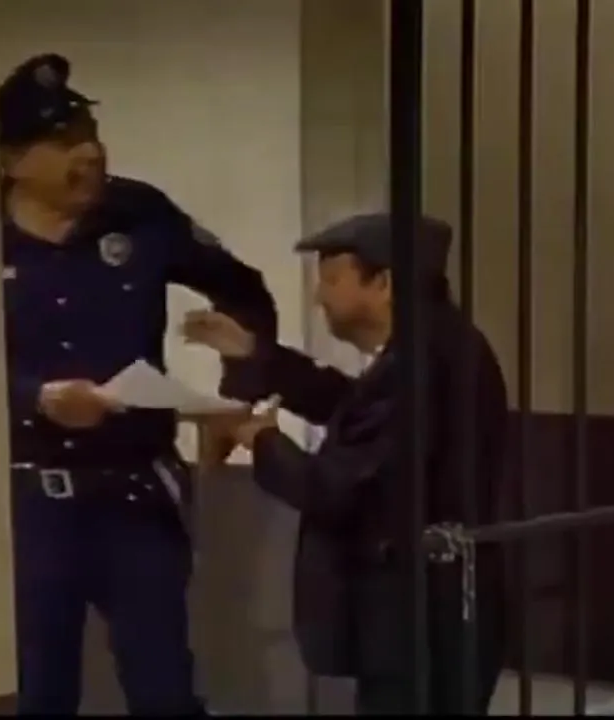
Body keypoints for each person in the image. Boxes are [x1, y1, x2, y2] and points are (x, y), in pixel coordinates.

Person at [0, 53, 278, 715]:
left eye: (91, 133)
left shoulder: (141, 214)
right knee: (38, 691)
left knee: (163, 688)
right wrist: (34, 398)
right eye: (64, 141)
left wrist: (236, 393)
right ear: (12, 161)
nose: (90, 152)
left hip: (135, 491)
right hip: (26, 501)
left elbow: (245, 294)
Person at [182, 213, 509, 715]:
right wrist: (254, 354)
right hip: (431, 607)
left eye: (333, 279)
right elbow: (360, 414)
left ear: (384, 283)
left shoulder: (420, 364)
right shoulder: (436, 347)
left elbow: (333, 488)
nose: (320, 297)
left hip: (417, 615)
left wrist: (261, 439)